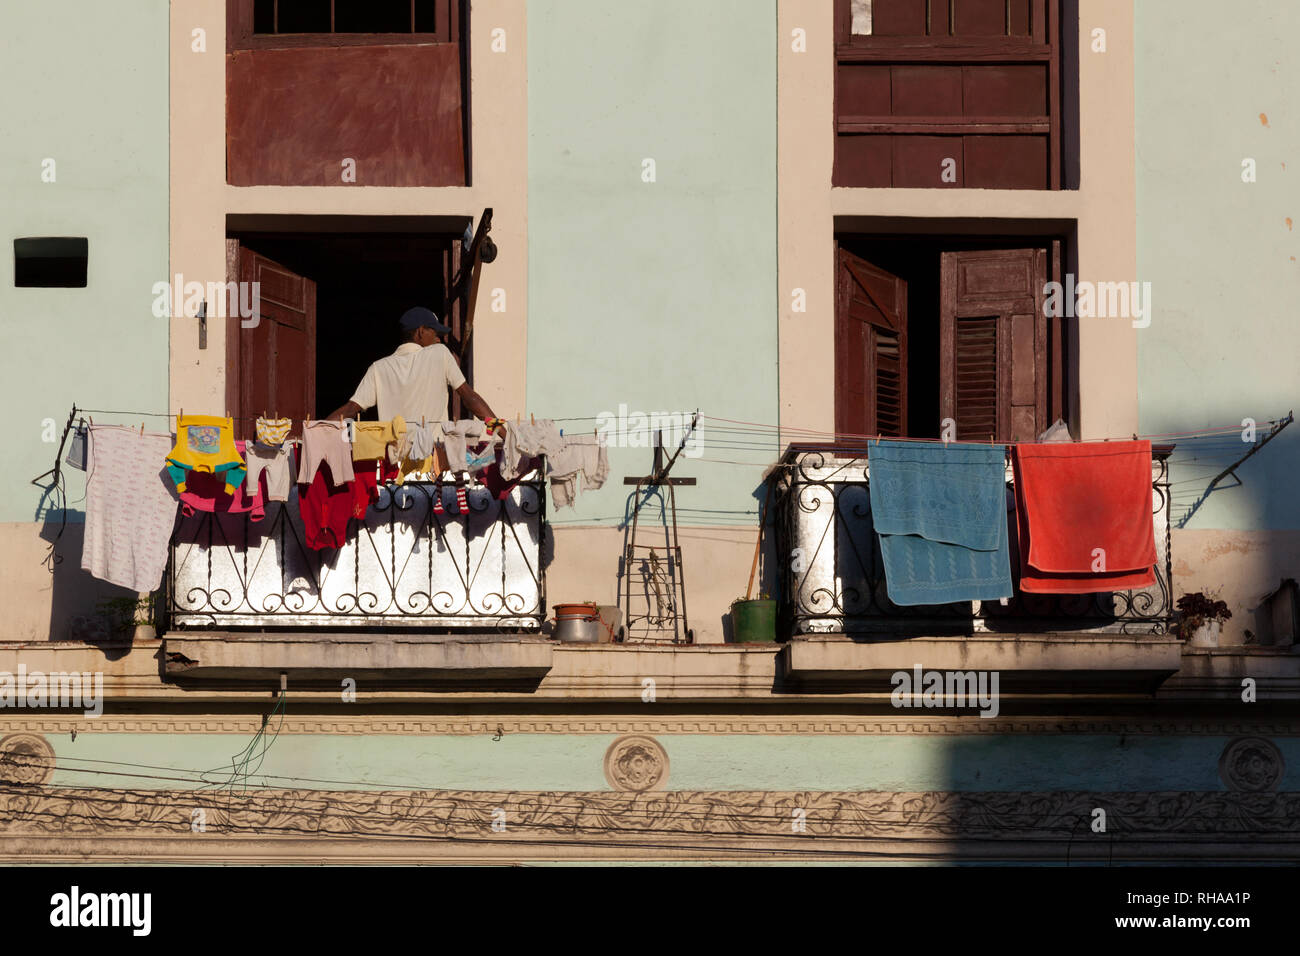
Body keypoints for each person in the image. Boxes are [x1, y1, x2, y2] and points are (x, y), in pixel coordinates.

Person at [327, 306, 500, 427]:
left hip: (394, 469)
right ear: (420, 331)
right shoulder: (439, 353)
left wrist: (315, 433)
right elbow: (470, 398)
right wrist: (505, 434)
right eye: (434, 332)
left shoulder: (379, 368)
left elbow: (350, 409)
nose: (438, 338)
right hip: (432, 464)